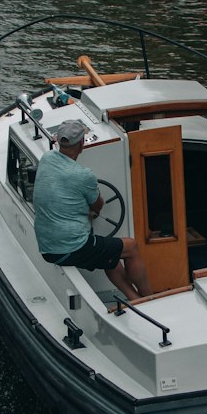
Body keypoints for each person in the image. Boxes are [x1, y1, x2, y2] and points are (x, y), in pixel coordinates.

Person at [34, 119, 152, 303]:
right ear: (81, 144)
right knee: (131, 247)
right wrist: (90, 212)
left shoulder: (47, 159)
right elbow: (97, 205)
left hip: (47, 246)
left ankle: (135, 299)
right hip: (71, 247)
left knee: (110, 256)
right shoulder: (84, 175)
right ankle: (151, 299)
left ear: (58, 141)